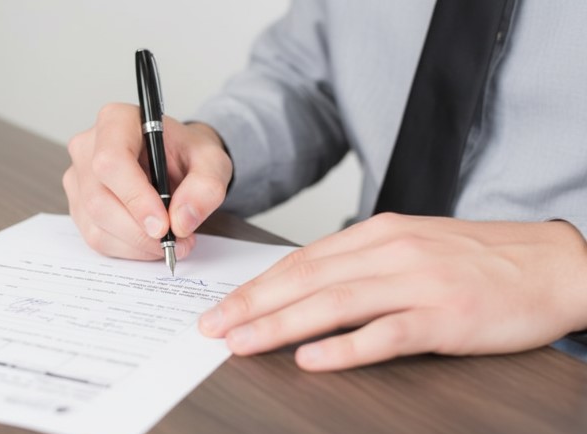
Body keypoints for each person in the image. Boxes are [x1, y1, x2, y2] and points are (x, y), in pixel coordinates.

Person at [63, 0, 587, 371]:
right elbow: (306, 77)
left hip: (556, 372)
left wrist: (570, 270)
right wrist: (206, 149)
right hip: (350, 333)